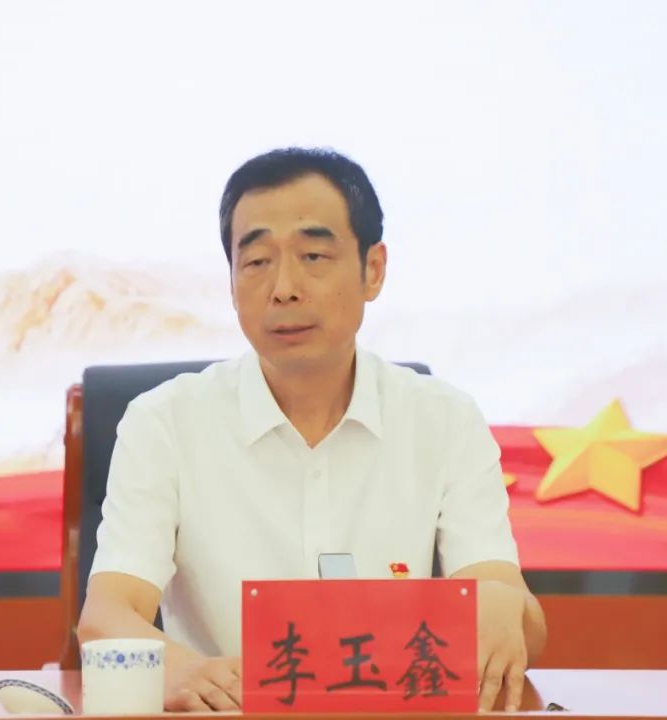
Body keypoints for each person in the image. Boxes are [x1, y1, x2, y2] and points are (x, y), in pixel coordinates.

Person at [76, 147, 547, 712]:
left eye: (314, 256)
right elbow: (107, 614)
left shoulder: (444, 420)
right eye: (256, 262)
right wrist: (185, 672)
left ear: (373, 270)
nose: (284, 288)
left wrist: (502, 604)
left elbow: (512, 607)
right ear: (231, 282)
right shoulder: (164, 423)